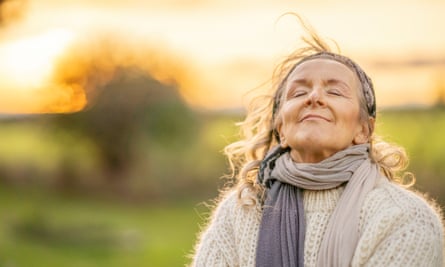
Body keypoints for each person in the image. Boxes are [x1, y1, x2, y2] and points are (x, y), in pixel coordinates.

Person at [189, 22, 444, 267]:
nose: (314, 97)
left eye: (334, 92)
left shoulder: (404, 218)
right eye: (299, 93)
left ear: (364, 129)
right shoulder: (241, 211)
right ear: (282, 130)